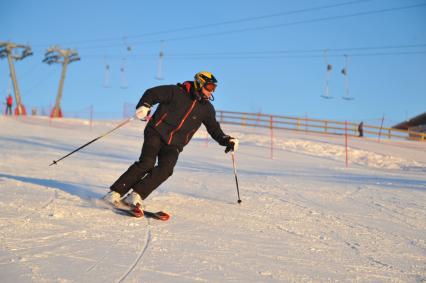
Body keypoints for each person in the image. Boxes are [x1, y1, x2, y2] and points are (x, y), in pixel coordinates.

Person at [103, 71, 239, 207]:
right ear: (199, 83)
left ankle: (135, 195)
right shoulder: (175, 92)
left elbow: (214, 128)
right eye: (209, 87)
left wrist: (226, 140)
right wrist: (144, 105)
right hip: (156, 132)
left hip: (175, 144)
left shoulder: (206, 109)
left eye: (213, 89)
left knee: (166, 168)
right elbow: (152, 93)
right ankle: (115, 193)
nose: (211, 92)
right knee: (147, 163)